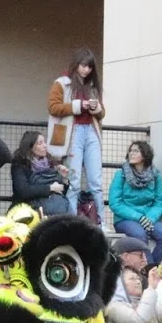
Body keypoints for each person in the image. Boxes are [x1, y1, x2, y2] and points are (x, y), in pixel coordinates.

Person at [46, 49, 106, 223]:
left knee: (96, 182)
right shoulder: (62, 83)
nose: (86, 70)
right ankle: (72, 221)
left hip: (90, 131)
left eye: (89, 67)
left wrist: (96, 108)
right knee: (74, 181)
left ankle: (100, 221)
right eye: (83, 65)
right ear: (76, 64)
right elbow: (53, 107)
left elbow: (102, 113)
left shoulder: (92, 86)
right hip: (72, 133)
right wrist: (79, 105)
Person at [108, 140, 162, 265]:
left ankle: (150, 266)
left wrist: (149, 218)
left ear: (145, 154)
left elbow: (160, 202)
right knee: (139, 234)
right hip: (125, 219)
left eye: (136, 151)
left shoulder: (155, 175)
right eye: (130, 151)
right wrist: (138, 217)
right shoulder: (121, 174)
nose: (131, 153)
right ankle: (149, 271)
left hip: (148, 218)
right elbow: (115, 203)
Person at [9, 129, 72, 216]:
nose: (45, 146)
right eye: (40, 143)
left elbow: (61, 192)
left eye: (44, 142)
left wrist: (64, 178)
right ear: (30, 147)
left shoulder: (50, 162)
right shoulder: (20, 164)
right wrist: (50, 188)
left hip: (54, 208)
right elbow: (23, 191)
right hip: (28, 210)